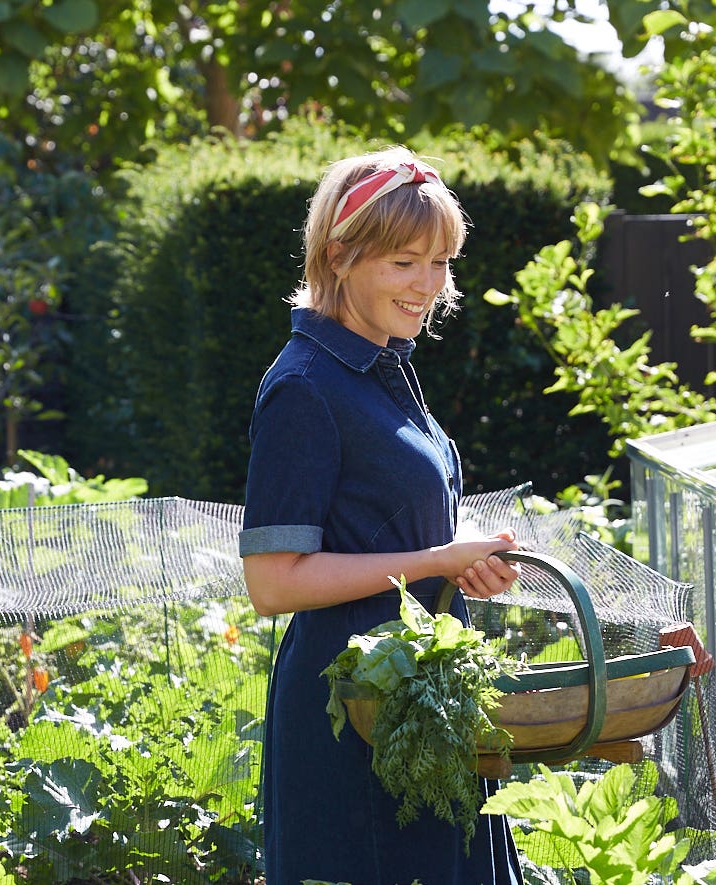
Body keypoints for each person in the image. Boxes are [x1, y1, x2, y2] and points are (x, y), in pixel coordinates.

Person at [238, 146, 524, 885]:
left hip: (417, 703)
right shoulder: (304, 386)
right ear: (339, 255)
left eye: (440, 264)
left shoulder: (382, 365)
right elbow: (272, 583)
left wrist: (458, 557)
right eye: (404, 262)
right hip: (352, 714)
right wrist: (434, 561)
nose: (427, 286)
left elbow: (388, 532)